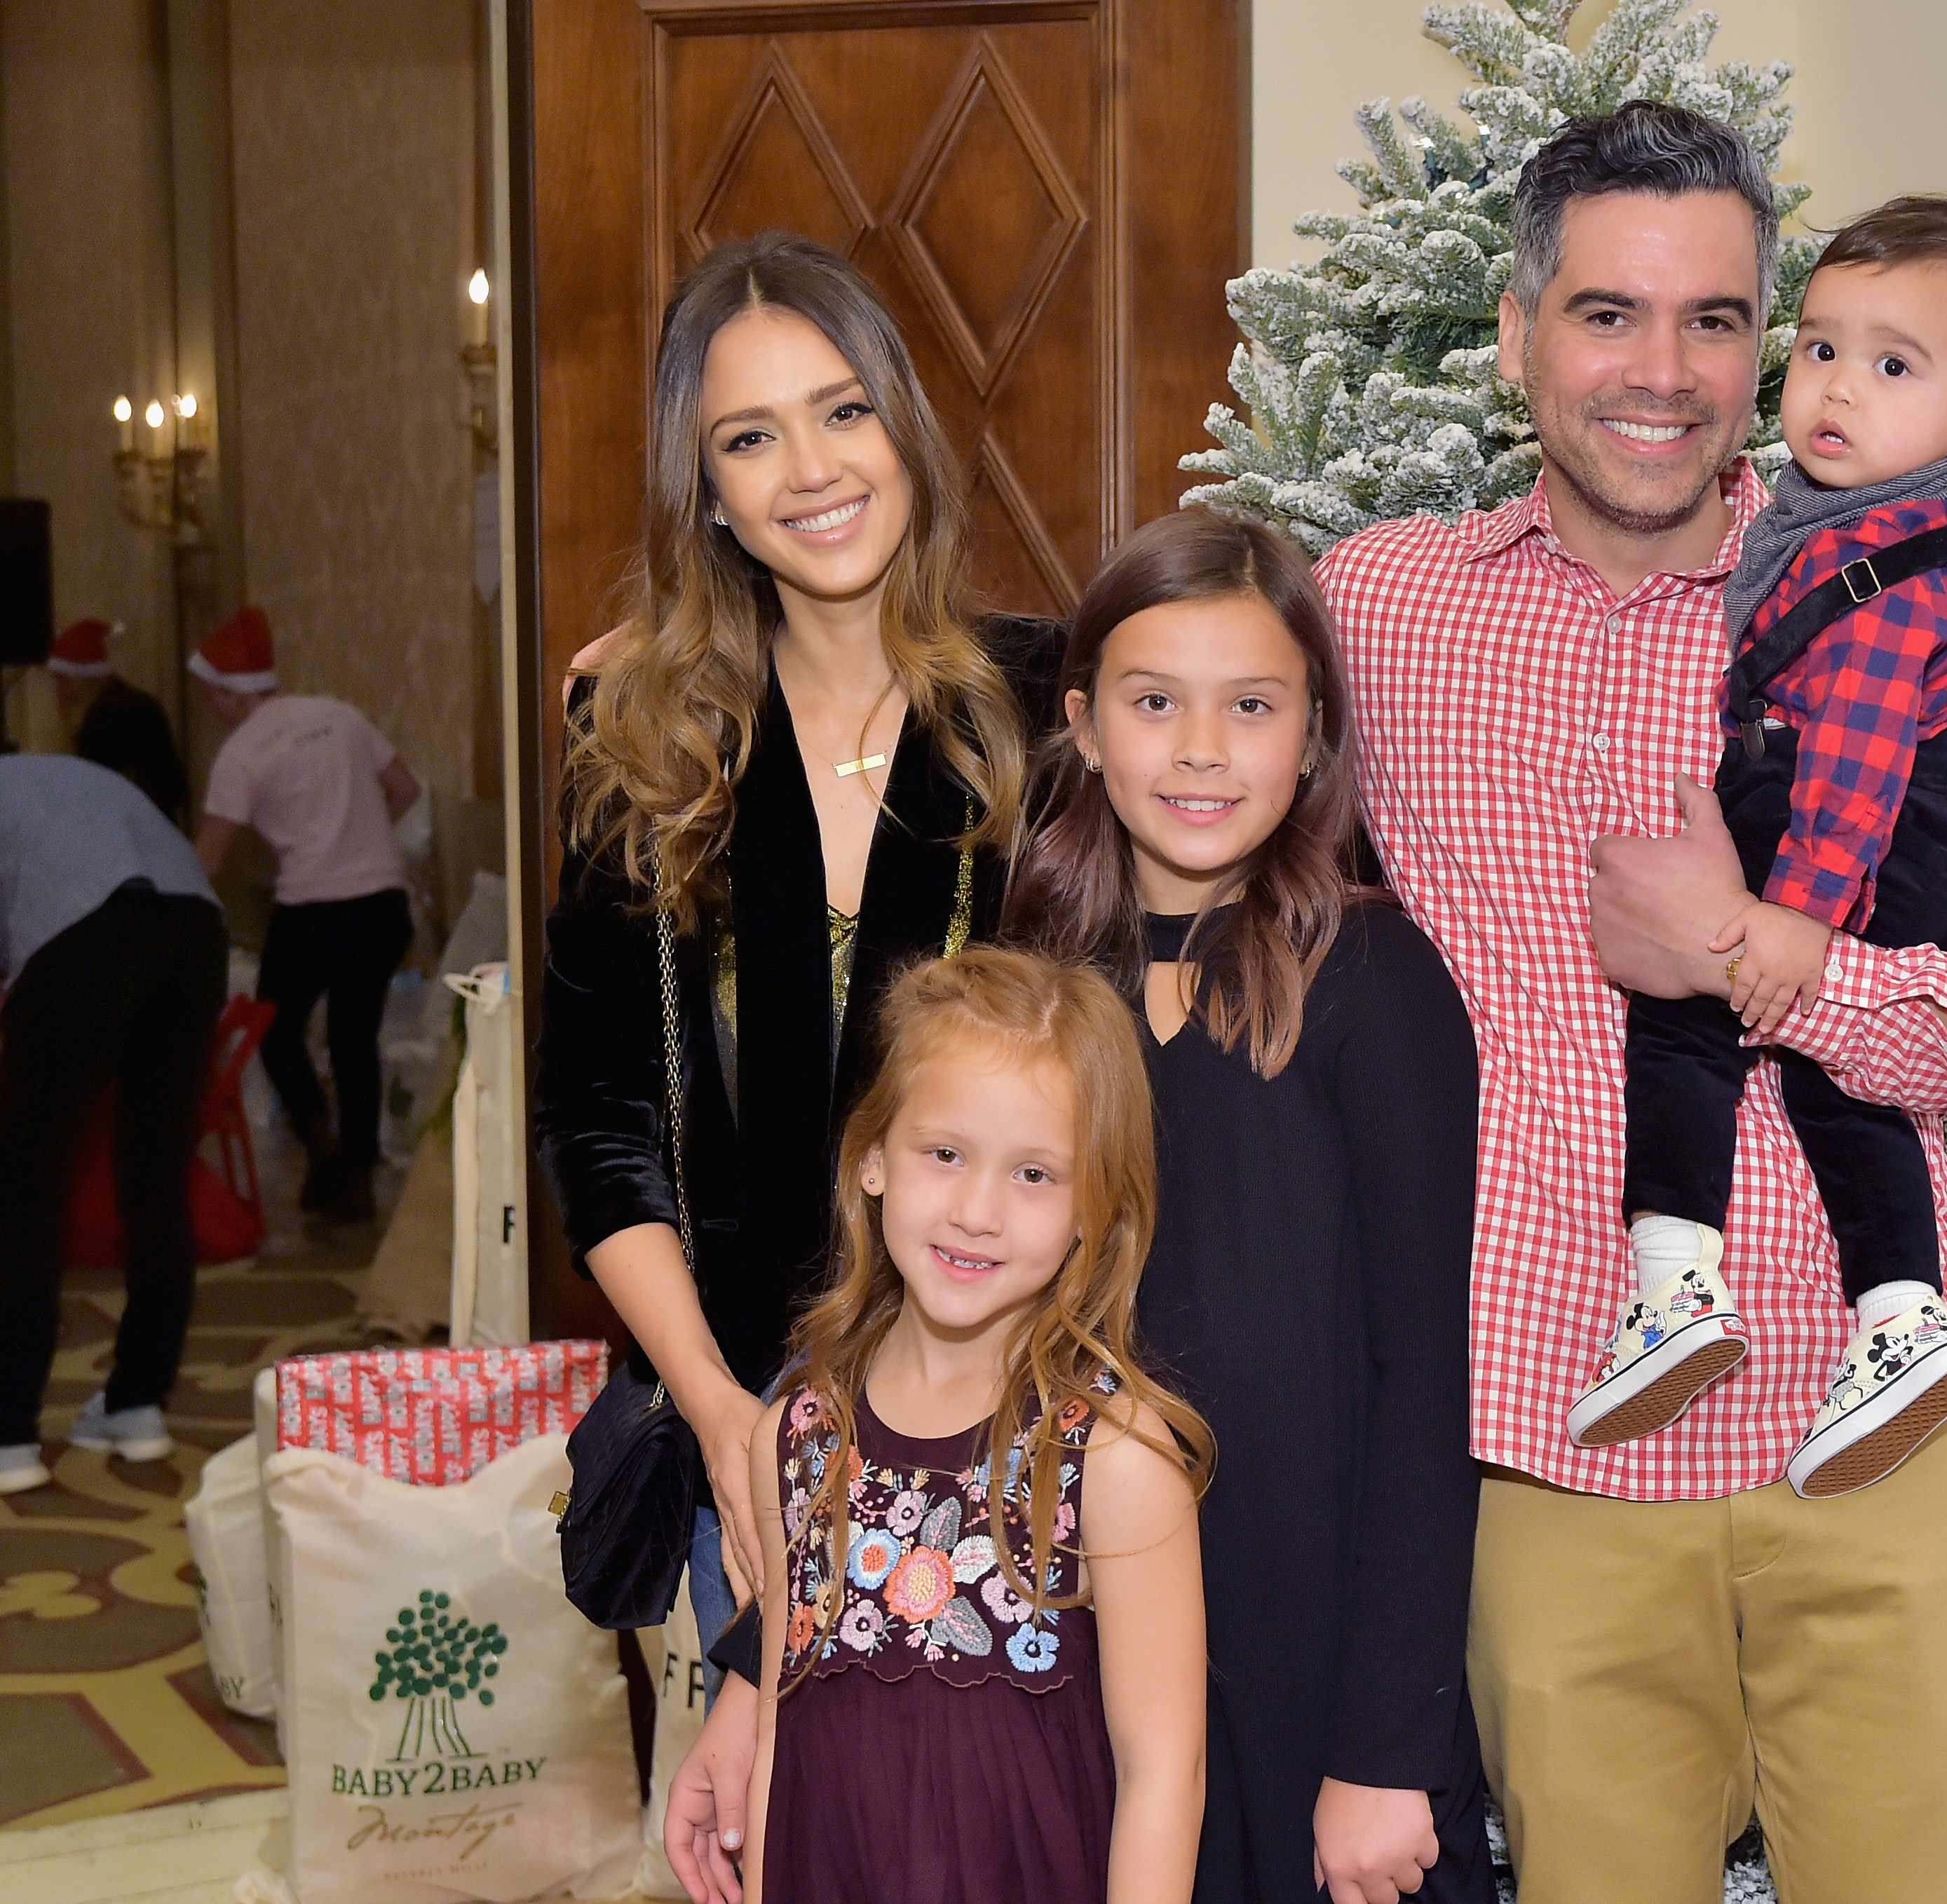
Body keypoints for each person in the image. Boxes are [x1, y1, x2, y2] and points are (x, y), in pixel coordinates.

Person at [1316, 103, 1947, 1904]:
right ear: (1516, 334)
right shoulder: (1377, 612)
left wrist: (1768, 957)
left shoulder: (1894, 601)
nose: (1659, 371)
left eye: (1714, 320)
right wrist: (743, 659)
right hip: (1549, 1461)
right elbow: (1150, 719)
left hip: (1880, 1454)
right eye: (1604, 314)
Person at [534, 231, 1057, 1706]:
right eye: (749, 437)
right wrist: (711, 1409)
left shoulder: (1039, 704)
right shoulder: (642, 733)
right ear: (704, 487)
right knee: (775, 1835)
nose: (812, 468)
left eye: (843, 411)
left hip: (1004, 1406)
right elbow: (595, 1120)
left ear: (904, 424)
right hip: (747, 1425)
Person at [1576, 195, 1947, 1499]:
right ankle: (1900, 1316)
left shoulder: (1875, 554)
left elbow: (1856, 764)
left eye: (1892, 366)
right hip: (1936, 828)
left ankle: (1677, 1279)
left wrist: (1800, 928)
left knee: (1684, 1017)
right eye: (1819, 349)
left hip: (1858, 831)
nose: (1835, 390)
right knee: (1842, 1080)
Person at [1010, 513, 1488, 1903]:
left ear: (1314, 735)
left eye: (1252, 705)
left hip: (1317, 1667)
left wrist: (1389, 1747)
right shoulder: (1033, 983)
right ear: (1086, 725)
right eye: (1155, 703)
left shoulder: (1373, 981)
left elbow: (1425, 1376)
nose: (1204, 748)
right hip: (1079, 1659)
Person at [740, 948, 1209, 1904]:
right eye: (944, 1152)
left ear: (1094, 1207)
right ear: (871, 1156)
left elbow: (1166, 1773)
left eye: (1035, 1172)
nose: (977, 1211)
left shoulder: (1114, 1461)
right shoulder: (794, 1437)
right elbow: (773, 1741)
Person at [0, 756, 228, 1493]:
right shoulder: (56, 778)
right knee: (155, 1184)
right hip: (195, 935)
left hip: (84, 941)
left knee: (26, 1192)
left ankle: (9, 1438)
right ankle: (136, 1408)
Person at [190, 605, 419, 1222]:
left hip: (312, 913)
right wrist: (360, 841)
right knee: (354, 1039)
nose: (211, 709)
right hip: (382, 905)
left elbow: (208, 857)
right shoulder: (339, 716)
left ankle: (322, 1148)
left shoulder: (241, 754)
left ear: (229, 695)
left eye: (211, 696)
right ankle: (359, 1175)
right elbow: (405, 789)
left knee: (276, 1030)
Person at [48, 618, 191, 828]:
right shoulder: (139, 702)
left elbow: (91, 788)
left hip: (132, 829)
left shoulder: (105, 716)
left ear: (85, 676)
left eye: (63, 678)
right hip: (159, 824)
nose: (59, 689)